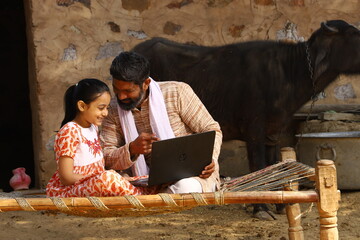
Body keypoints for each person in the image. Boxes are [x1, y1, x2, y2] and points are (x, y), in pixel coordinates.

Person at [100, 52, 222, 194]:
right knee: (106, 181)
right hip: (141, 181)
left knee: (186, 187)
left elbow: (212, 129)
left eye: (128, 91)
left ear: (146, 84)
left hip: (190, 175)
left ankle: (152, 200)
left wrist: (209, 159)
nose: (121, 96)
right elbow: (106, 155)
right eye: (116, 89)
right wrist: (132, 149)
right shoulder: (112, 108)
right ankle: (152, 198)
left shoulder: (177, 92)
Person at [46, 78, 158, 197]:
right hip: (69, 190)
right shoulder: (70, 131)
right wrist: (101, 177)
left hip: (96, 183)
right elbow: (66, 178)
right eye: (101, 108)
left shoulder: (93, 127)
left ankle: (145, 191)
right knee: (108, 178)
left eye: (107, 108)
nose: (105, 113)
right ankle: (143, 197)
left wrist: (116, 177)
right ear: (82, 106)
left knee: (147, 178)